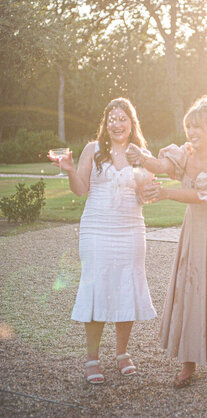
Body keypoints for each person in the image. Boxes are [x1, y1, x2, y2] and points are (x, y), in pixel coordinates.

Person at [126, 96, 207, 388]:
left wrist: (166, 193)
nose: (191, 132)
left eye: (198, 126)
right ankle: (189, 361)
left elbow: (203, 196)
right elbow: (161, 164)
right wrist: (141, 157)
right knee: (191, 290)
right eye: (189, 126)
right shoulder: (184, 153)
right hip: (194, 231)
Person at [49, 98, 156, 384]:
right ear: (105, 124)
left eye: (122, 119)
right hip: (96, 229)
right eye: (112, 119)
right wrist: (70, 170)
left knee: (126, 286)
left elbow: (146, 195)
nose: (117, 124)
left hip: (130, 229)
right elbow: (80, 189)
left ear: (131, 123)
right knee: (96, 287)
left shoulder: (141, 154)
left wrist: (144, 174)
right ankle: (92, 358)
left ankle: (122, 353)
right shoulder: (92, 149)